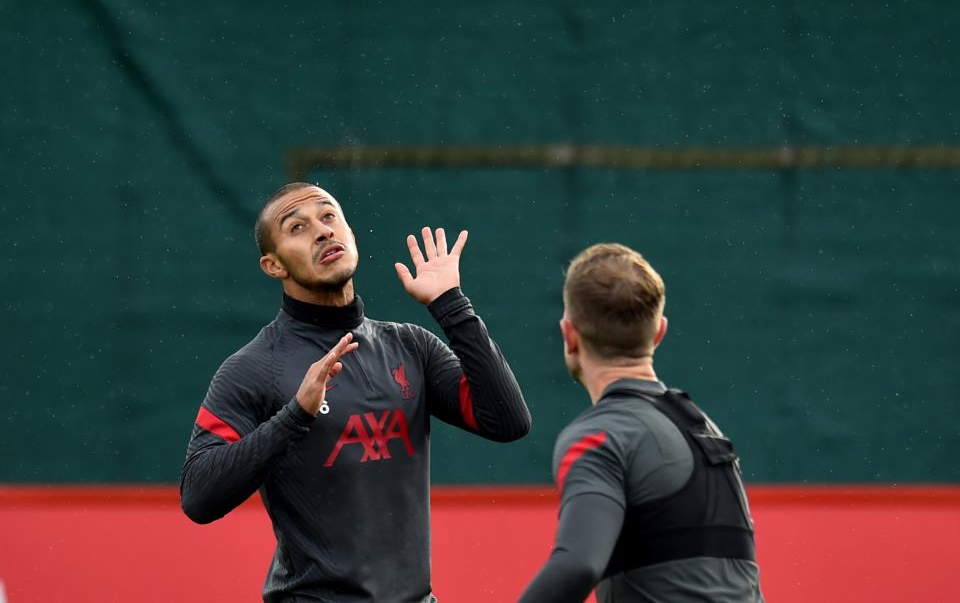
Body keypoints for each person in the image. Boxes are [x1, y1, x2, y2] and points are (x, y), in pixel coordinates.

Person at [180, 182, 531, 602]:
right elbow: (198, 496)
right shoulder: (252, 369)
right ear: (273, 266)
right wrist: (295, 416)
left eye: (329, 217)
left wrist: (451, 305)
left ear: (350, 233)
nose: (323, 231)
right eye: (297, 227)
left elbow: (508, 422)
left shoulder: (410, 346)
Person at [518, 243, 763, 603]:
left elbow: (578, 565)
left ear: (569, 335)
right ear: (659, 332)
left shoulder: (599, 437)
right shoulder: (704, 430)